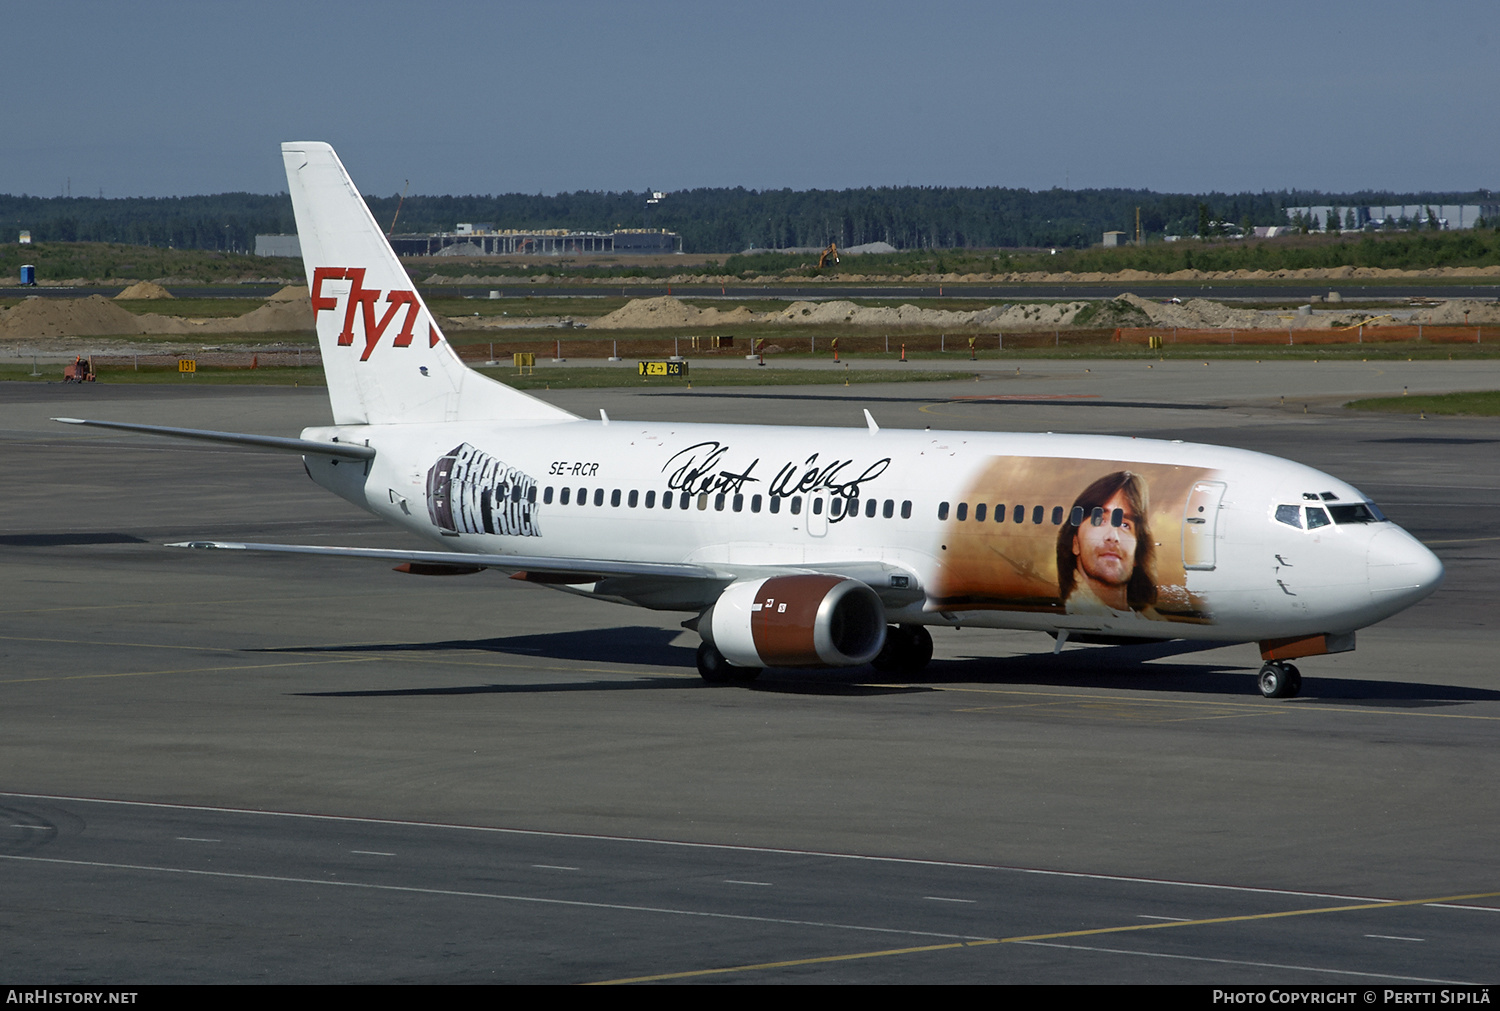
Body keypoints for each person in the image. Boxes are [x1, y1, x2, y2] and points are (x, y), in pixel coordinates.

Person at [1055, 471, 1157, 616]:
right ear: (1075, 543)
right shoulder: (1070, 611)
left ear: (1137, 554)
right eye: (1099, 520)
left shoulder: (1151, 621)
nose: (1113, 536)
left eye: (1125, 524)